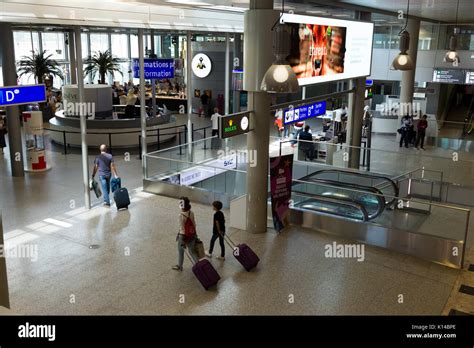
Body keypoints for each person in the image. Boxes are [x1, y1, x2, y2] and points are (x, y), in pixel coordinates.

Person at [173, 197, 199, 271]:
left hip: (183, 236)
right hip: (192, 234)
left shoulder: (181, 215)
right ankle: (199, 266)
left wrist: (183, 239)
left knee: (181, 251)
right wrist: (195, 235)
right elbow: (194, 224)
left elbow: (182, 228)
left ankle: (180, 266)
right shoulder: (191, 212)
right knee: (192, 251)